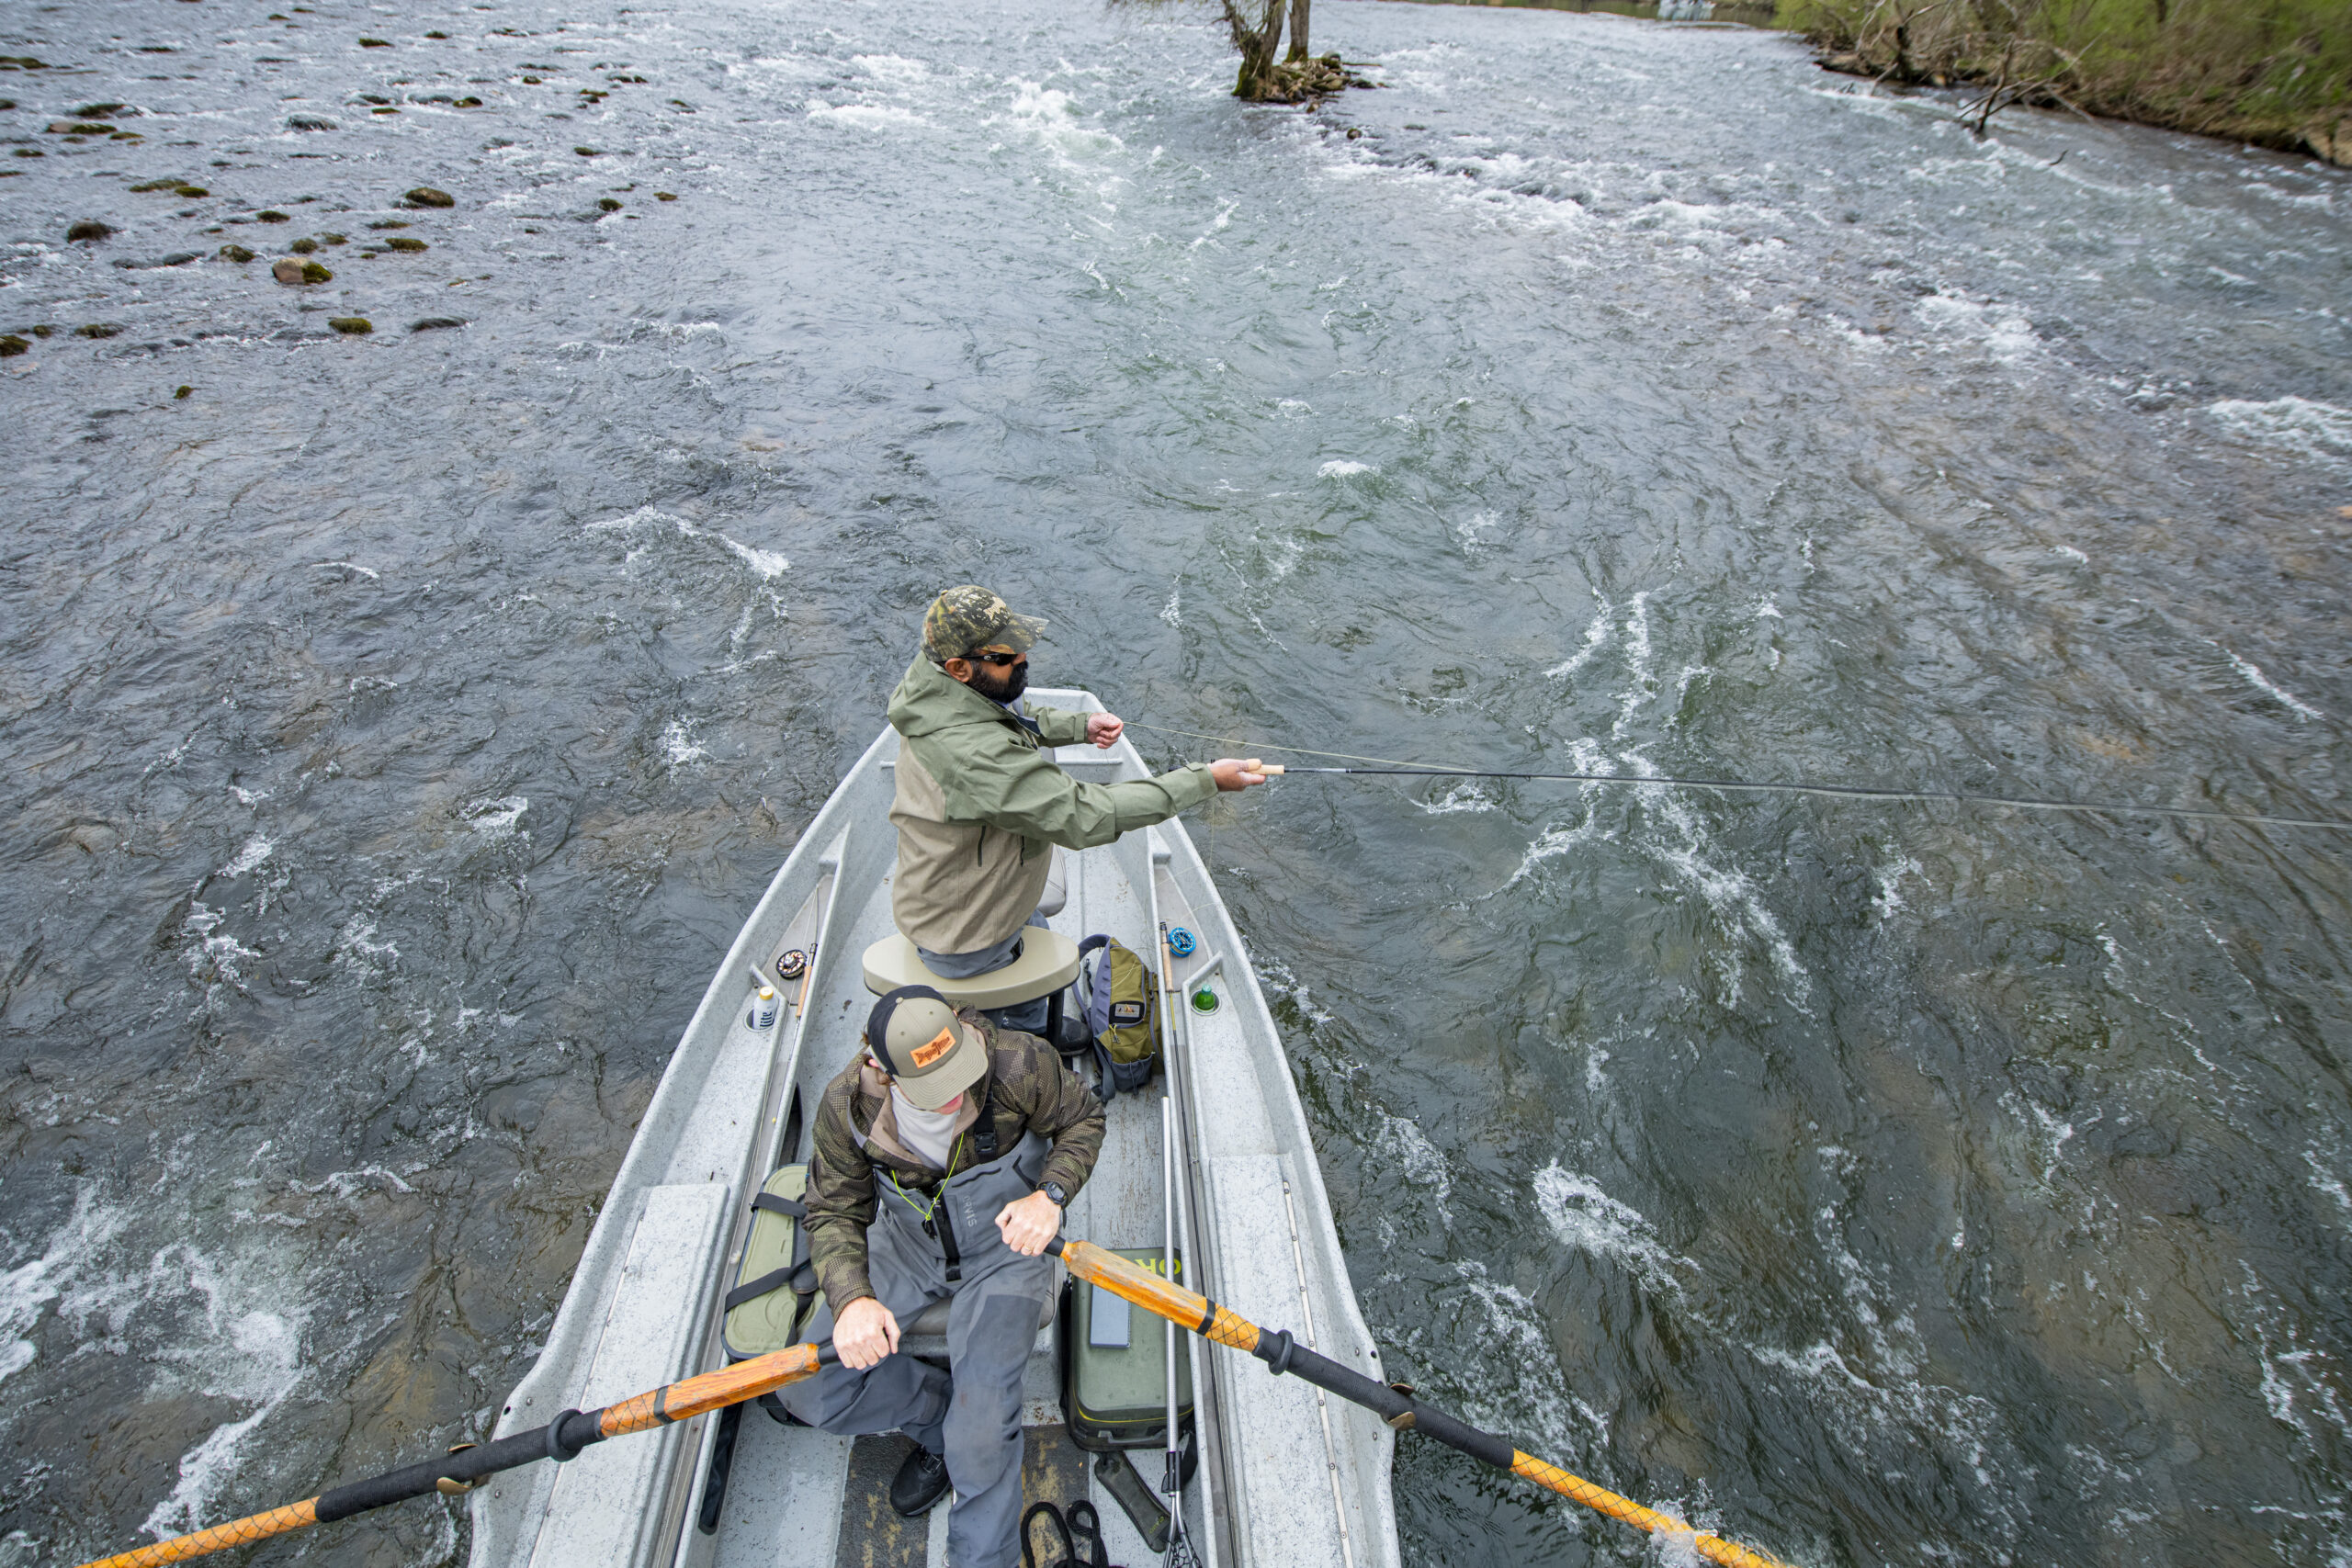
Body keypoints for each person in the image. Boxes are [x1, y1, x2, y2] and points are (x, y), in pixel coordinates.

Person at [790, 985, 1106, 1568]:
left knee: (982, 1437)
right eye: (934, 1089)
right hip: (907, 1248)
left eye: (959, 1071)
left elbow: (1084, 1119)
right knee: (807, 1386)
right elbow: (833, 1210)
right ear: (882, 1072)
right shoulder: (846, 1106)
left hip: (1005, 1253)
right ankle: (941, 1421)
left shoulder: (1018, 1062)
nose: (956, 1095)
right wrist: (852, 1298)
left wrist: (1050, 1195)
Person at [888, 585, 1266, 1030]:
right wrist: (1206, 780)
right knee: (1014, 1011)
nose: (1023, 659)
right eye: (1007, 656)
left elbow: (1009, 716)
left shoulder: (940, 684)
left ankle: (1028, 1018)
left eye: (1020, 645)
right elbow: (1087, 814)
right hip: (967, 937)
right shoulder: (974, 755)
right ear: (960, 667)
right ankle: (1022, 1038)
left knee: (1035, 945)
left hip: (985, 894)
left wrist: (1080, 727)